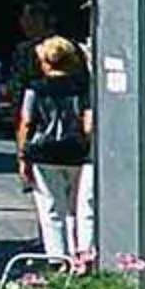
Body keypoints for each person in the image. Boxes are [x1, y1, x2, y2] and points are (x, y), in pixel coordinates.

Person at [16, 34, 95, 260]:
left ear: (44, 61)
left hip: (44, 152)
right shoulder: (83, 88)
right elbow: (88, 124)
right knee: (80, 207)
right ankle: (83, 254)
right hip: (77, 153)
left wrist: (23, 157)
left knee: (50, 208)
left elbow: (27, 122)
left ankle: (57, 258)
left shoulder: (36, 89)